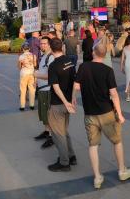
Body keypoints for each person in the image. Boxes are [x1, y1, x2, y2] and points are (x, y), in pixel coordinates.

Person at [72, 43, 130, 189]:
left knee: (93, 145)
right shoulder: (107, 70)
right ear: (105, 55)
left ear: (93, 52)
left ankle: (97, 177)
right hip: (106, 112)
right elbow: (113, 94)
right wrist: (119, 114)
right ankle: (122, 170)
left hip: (89, 114)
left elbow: (76, 86)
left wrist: (73, 98)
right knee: (117, 141)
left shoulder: (83, 67)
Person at [47, 38, 76, 172]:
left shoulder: (53, 65)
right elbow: (75, 81)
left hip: (58, 104)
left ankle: (64, 163)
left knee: (58, 134)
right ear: (62, 47)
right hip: (68, 103)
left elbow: (56, 87)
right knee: (64, 131)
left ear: (50, 48)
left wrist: (65, 101)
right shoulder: (69, 61)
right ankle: (71, 156)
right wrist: (72, 100)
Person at [33, 37, 55, 148]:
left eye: (45, 43)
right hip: (42, 89)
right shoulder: (43, 56)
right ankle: (47, 132)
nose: (42, 45)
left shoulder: (51, 57)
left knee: (48, 114)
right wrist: (36, 81)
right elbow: (42, 71)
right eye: (41, 44)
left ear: (50, 44)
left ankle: (51, 137)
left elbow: (51, 76)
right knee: (43, 114)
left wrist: (37, 75)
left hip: (47, 90)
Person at [17, 42, 36, 111]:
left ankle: (22, 106)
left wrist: (22, 64)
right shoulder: (33, 55)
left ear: (22, 49)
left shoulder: (21, 56)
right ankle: (32, 105)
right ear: (29, 48)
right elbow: (35, 64)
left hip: (24, 73)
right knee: (32, 89)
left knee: (23, 90)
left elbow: (19, 67)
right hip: (31, 73)